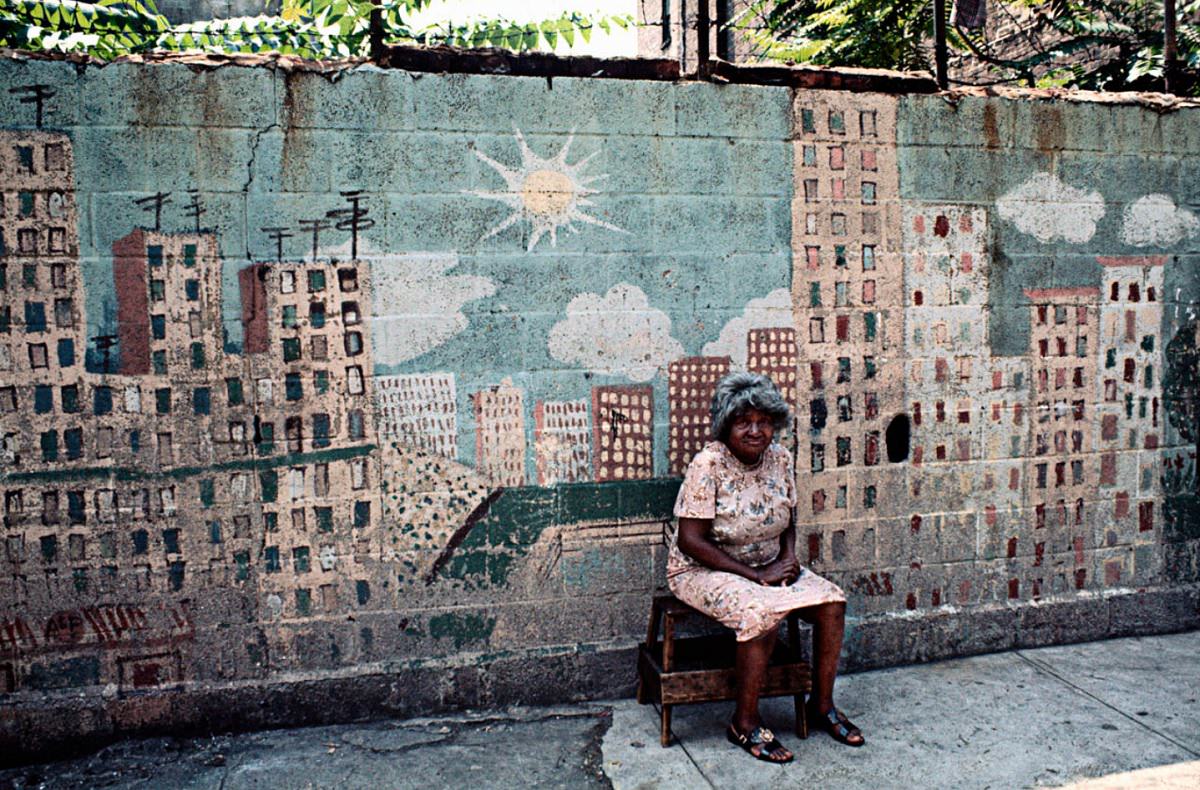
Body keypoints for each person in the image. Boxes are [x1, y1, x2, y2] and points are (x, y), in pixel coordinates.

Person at [668, 371, 865, 763]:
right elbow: (691, 540)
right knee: (761, 610)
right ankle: (744, 723)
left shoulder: (780, 458)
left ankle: (821, 705)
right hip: (704, 569)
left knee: (833, 603)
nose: (755, 430)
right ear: (727, 426)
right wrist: (757, 577)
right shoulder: (709, 464)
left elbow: (788, 517)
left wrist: (787, 558)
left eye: (763, 421)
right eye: (743, 422)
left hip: (769, 565)